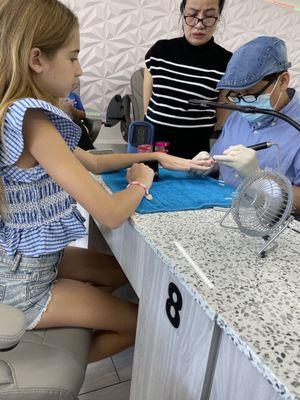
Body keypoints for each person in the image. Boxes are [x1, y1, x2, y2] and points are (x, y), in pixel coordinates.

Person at [0, 0, 212, 363]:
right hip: (23, 287)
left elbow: (92, 164)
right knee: (140, 321)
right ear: (37, 59)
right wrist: (141, 182)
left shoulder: (21, 112)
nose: (79, 69)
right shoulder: (32, 119)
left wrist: (153, 157)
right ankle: (56, 365)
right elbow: (110, 213)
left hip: (24, 261)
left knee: (119, 273)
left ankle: (72, 330)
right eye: (73, 57)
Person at [197, 36, 300, 213]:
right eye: (236, 95)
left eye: (251, 92)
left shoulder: (296, 127)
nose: (244, 103)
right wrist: (208, 164)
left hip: (268, 224)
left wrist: (259, 178)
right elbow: (218, 161)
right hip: (220, 212)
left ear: (282, 81)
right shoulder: (238, 115)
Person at [143, 0, 232, 159]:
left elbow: (220, 116)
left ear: (218, 17)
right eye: (192, 15)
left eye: (209, 16)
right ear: (182, 13)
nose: (199, 25)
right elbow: (147, 105)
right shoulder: (159, 51)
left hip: (194, 152)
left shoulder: (227, 62)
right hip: (152, 146)